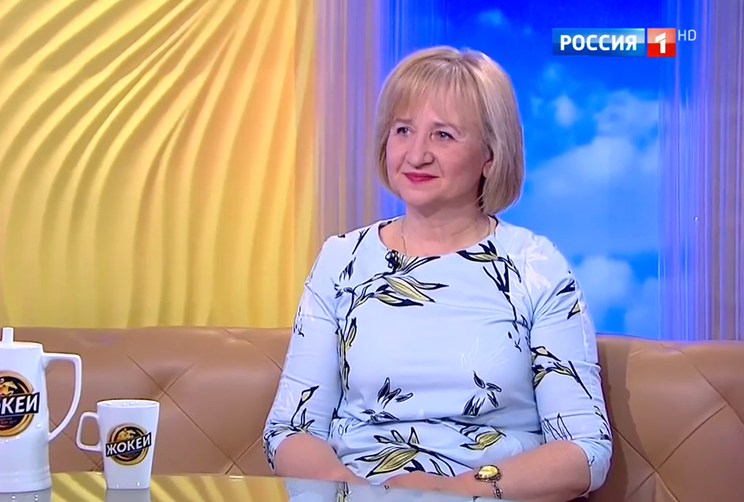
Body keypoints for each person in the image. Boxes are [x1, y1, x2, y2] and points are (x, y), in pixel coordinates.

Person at [262, 46, 613, 502]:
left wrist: (453, 491)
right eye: (403, 130)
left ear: (491, 154)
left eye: (443, 135)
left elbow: (585, 451)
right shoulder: (341, 260)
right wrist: (357, 493)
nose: (416, 154)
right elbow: (290, 430)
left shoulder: (536, 267)